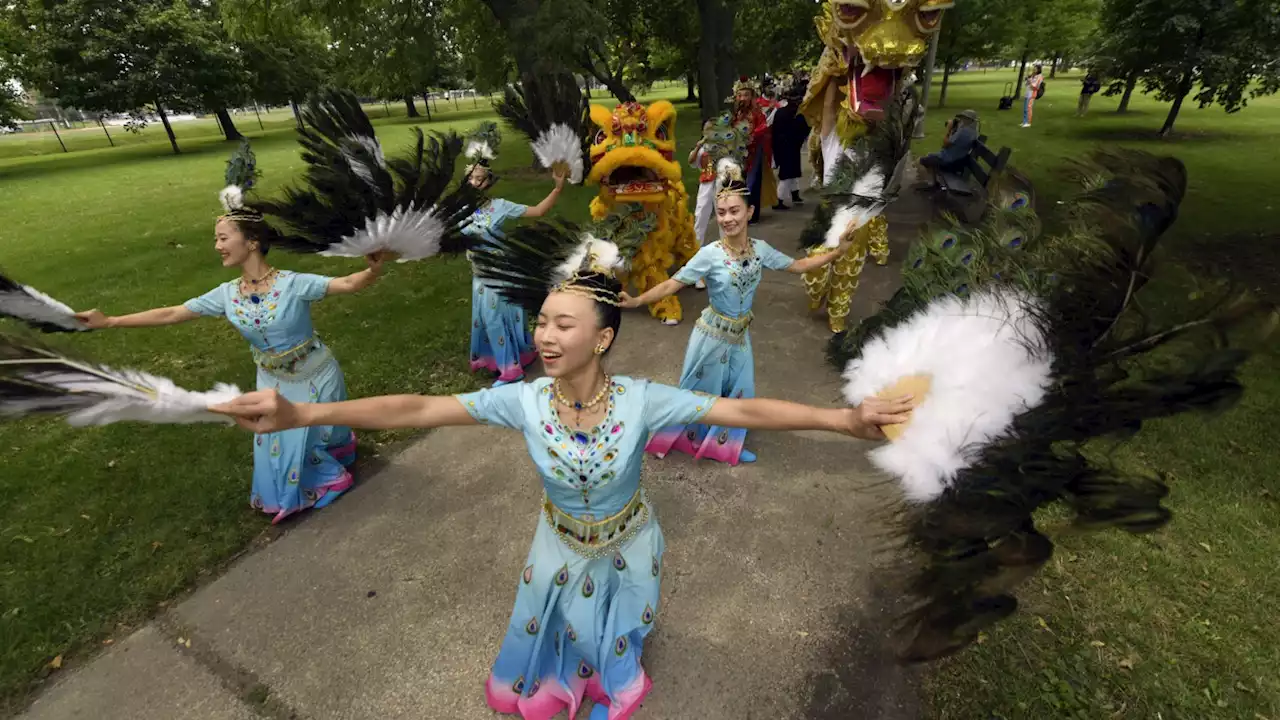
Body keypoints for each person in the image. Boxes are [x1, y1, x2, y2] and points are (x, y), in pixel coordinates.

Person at [214, 223, 912, 720]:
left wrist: (843, 420)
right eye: (542, 320)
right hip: (558, 543)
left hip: (630, 540)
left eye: (563, 324)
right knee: (559, 634)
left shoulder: (644, 401)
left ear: (603, 338)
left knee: (615, 636)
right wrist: (301, 415)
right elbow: (421, 406)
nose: (544, 334)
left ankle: (613, 671)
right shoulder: (521, 401)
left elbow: (745, 412)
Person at [74, 209, 386, 524]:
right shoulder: (226, 295)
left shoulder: (293, 284)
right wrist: (110, 321)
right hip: (271, 383)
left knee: (305, 444)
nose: (217, 246)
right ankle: (330, 449)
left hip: (314, 376)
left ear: (251, 242)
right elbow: (172, 314)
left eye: (223, 238)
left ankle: (333, 458)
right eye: (216, 239)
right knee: (278, 460)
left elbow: (346, 283)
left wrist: (371, 271)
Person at [620, 166, 854, 465]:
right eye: (721, 212)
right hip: (711, 336)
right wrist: (637, 300)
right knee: (703, 394)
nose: (727, 218)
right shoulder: (710, 254)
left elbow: (798, 266)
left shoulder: (761, 250)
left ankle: (725, 446)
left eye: (734, 211)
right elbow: (671, 283)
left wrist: (837, 253)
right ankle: (687, 438)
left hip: (740, 335)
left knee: (740, 392)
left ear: (749, 211)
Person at [463, 158, 568, 386]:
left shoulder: (499, 205)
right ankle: (515, 355)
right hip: (479, 272)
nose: (473, 183)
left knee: (495, 318)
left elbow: (538, 211)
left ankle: (511, 370)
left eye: (479, 179)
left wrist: (558, 188)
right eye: (470, 178)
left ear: (488, 181)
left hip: (501, 270)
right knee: (485, 317)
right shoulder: (461, 209)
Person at [730, 77, 777, 224]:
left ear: (752, 96)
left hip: (754, 150)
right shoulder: (735, 113)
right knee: (738, 181)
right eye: (740, 95)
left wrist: (752, 136)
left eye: (746, 95)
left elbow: (763, 127)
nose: (743, 98)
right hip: (738, 152)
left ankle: (751, 214)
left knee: (752, 182)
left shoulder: (757, 112)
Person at [770, 80, 810, 211]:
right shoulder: (796, 115)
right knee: (787, 174)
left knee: (792, 173)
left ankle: (795, 195)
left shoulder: (782, 112)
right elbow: (804, 130)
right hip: (788, 147)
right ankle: (778, 200)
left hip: (786, 147)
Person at [916, 109, 980, 190]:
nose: (961, 120)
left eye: (964, 118)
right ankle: (933, 183)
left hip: (949, 161)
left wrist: (949, 129)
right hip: (956, 160)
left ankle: (932, 184)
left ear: (970, 120)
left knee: (920, 160)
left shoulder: (964, 131)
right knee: (929, 156)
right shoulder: (972, 132)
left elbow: (945, 144)